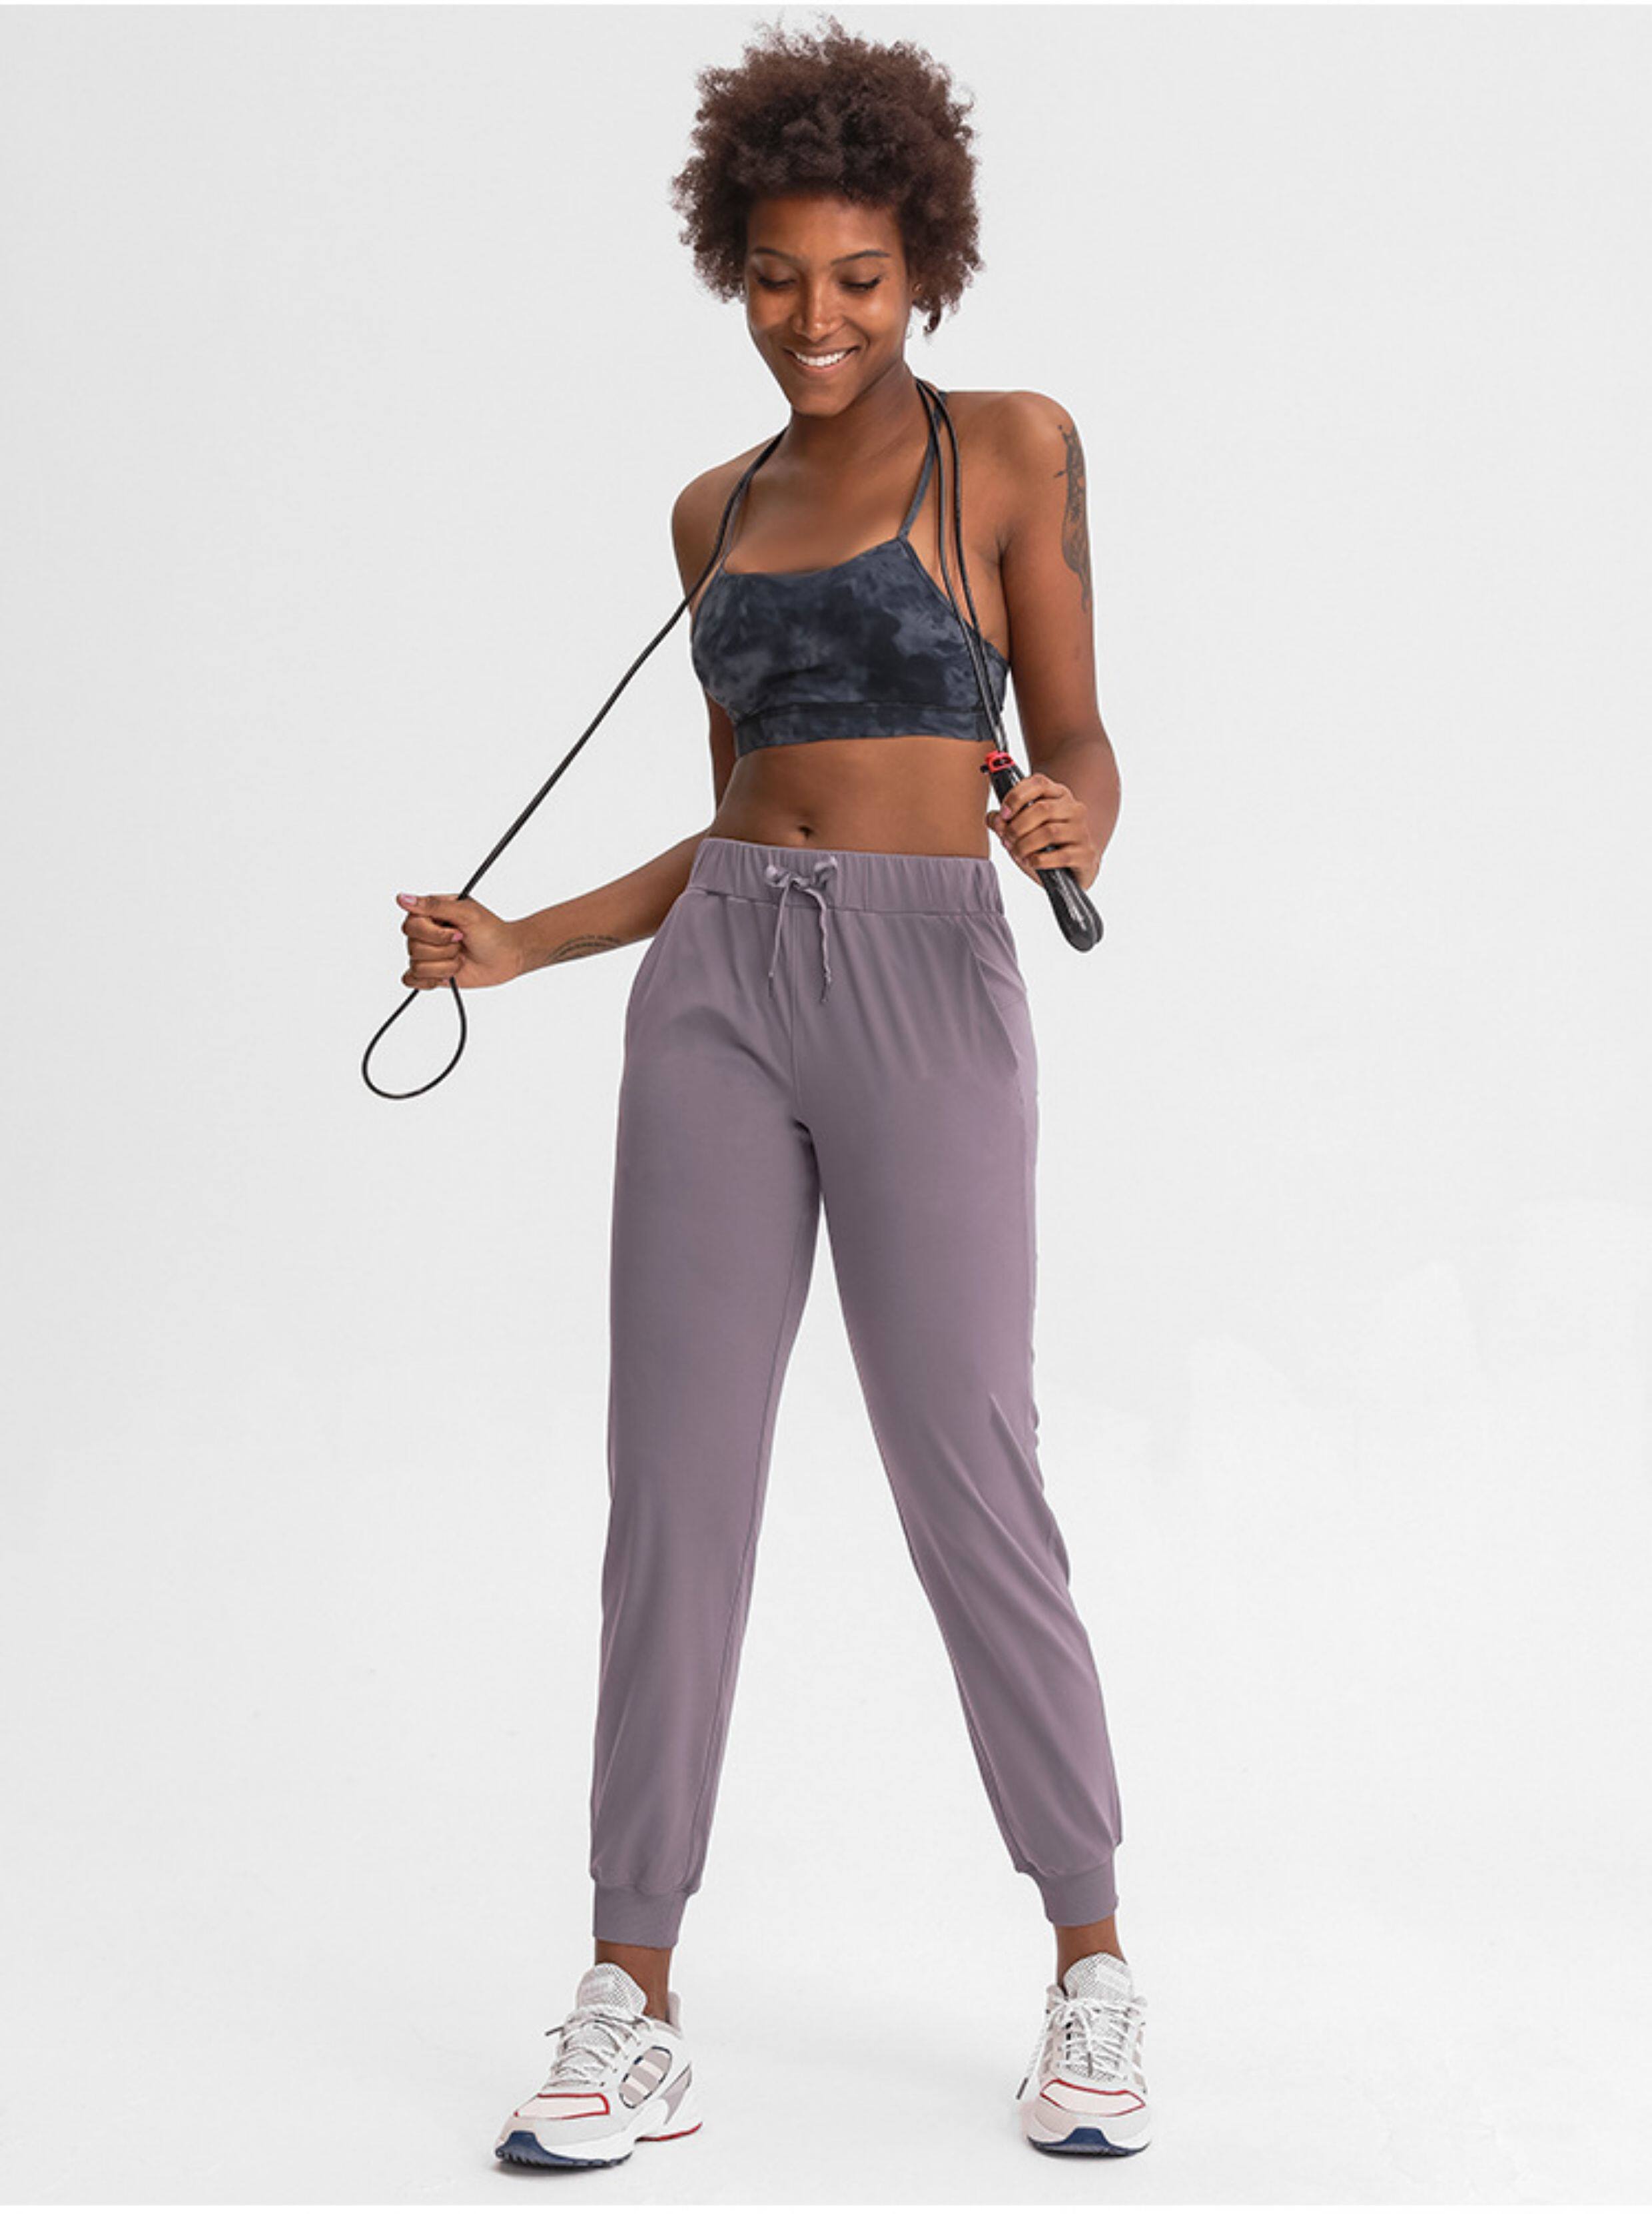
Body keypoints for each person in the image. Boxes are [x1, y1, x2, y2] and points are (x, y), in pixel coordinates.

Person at [394, 16, 1151, 2168]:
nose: (818, 319)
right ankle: (630, 1988)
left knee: (968, 1468)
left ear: (927, 265)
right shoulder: (709, 512)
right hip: (723, 992)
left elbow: (1081, 739)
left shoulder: (1011, 449)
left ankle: (1092, 1956)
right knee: (676, 1485)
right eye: (778, 278)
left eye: (860, 279)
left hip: (929, 980)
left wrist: (1083, 815)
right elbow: (739, 817)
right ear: (733, 263)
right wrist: (523, 941)